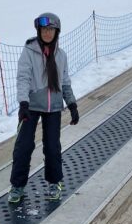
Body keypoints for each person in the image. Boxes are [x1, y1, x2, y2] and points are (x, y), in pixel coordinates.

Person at [8, 12, 79, 204]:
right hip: (31, 105)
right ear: (38, 31)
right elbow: (23, 78)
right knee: (23, 146)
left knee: (52, 146)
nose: (47, 33)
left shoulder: (61, 55)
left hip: (54, 106)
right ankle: (18, 186)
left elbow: (64, 82)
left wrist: (71, 103)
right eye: (44, 29)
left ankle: (54, 182)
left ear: (56, 32)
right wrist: (23, 103)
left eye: (51, 30)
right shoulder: (29, 52)